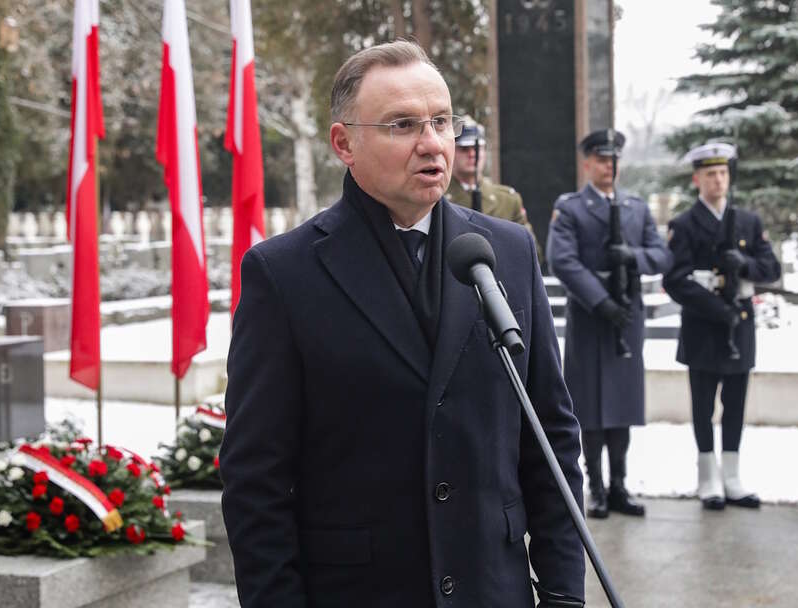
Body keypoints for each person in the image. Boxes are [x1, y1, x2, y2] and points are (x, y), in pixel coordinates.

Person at [219, 41, 585, 608]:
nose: (433, 143)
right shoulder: (283, 274)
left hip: (495, 589)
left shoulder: (507, 251)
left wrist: (564, 593)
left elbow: (551, 441)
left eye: (441, 121)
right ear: (344, 143)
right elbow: (255, 481)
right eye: (402, 125)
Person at [546, 129, 672, 519]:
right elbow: (562, 261)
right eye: (601, 160)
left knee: (623, 405)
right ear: (587, 163)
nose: (608, 166)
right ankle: (595, 486)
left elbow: (661, 255)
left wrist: (631, 256)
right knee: (591, 407)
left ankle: (620, 484)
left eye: (613, 160)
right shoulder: (571, 208)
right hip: (591, 316)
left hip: (627, 315)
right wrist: (600, 301)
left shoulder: (635, 207)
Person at [662, 143, 781, 511]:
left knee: (734, 403)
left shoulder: (747, 221)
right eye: (710, 174)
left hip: (739, 326)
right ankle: (707, 475)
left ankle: (732, 475)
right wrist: (716, 309)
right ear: (698, 179)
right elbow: (675, 279)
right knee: (702, 405)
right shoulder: (684, 224)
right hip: (704, 325)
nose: (717, 180)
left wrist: (743, 264)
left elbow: (771, 269)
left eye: (723, 173)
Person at [446, 117, 543, 261]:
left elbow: (532, 251)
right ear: (451, 151)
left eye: (477, 148)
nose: (472, 154)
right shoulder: (439, 198)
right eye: (464, 149)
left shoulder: (507, 200)